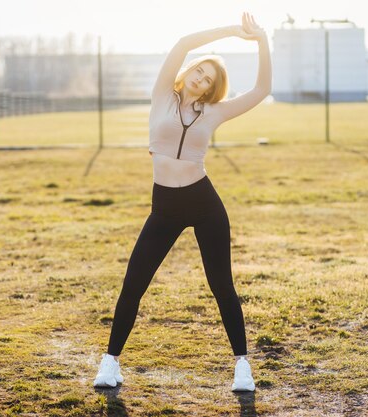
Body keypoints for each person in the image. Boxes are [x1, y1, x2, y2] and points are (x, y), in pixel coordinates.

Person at [94, 12, 271, 392]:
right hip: (164, 208)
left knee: (221, 284)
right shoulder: (162, 94)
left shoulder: (214, 112)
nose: (200, 78)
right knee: (133, 283)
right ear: (189, 71)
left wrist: (261, 42)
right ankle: (110, 363)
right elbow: (182, 44)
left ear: (210, 90)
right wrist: (231, 32)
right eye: (199, 71)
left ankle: (243, 367)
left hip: (203, 203)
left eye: (208, 79)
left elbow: (260, 91)